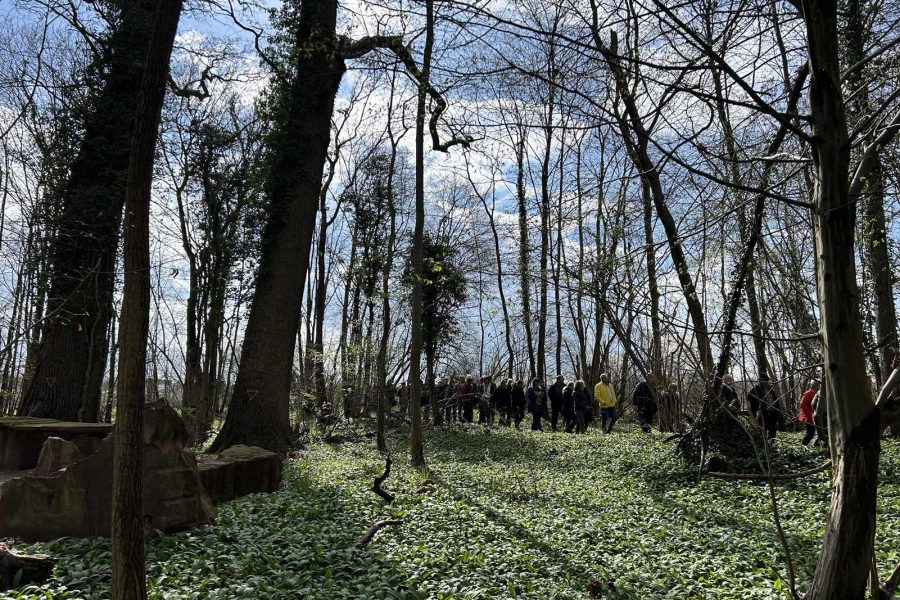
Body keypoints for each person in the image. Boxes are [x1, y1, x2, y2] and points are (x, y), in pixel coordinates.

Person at [748, 373, 778, 441]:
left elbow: (775, 400)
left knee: (773, 429)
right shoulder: (756, 389)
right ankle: (762, 443)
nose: (765, 382)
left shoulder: (770, 389)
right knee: (762, 429)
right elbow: (749, 397)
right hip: (762, 413)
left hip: (772, 412)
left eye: (766, 381)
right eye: (763, 381)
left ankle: (772, 442)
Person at [798, 379, 820, 446]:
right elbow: (802, 404)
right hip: (808, 418)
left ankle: (816, 445)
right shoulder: (808, 393)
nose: (819, 386)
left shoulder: (818, 393)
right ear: (814, 385)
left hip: (816, 416)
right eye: (817, 384)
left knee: (821, 432)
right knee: (810, 433)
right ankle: (803, 446)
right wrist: (809, 415)